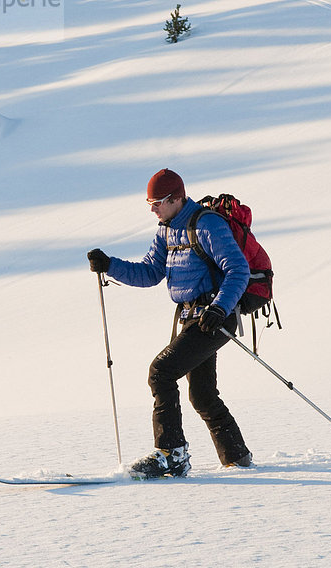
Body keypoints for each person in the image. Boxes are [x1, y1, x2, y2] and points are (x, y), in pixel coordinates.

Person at [87, 168, 252, 478]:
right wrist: (110, 265)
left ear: (177, 198)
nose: (153, 209)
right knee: (202, 395)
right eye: (150, 202)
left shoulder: (208, 225)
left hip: (215, 317)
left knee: (161, 371)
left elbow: (238, 270)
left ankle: (171, 453)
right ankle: (238, 458)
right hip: (193, 319)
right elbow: (149, 273)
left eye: (158, 202)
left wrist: (219, 308)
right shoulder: (166, 230)